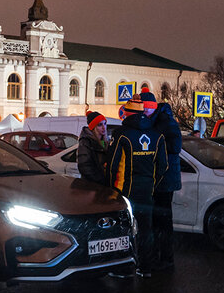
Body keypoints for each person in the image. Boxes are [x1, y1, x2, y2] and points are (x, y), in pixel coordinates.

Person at [108, 97, 168, 277]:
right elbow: (163, 166)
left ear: (128, 113)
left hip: (124, 192)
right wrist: (152, 184)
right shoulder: (157, 135)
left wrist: (112, 189)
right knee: (145, 230)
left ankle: (124, 268)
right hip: (147, 190)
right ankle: (145, 268)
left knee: (123, 230)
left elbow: (113, 164)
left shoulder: (122, 134)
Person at [149, 95, 183, 272]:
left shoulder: (166, 123)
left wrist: (157, 146)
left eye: (147, 108)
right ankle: (160, 257)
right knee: (159, 221)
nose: (145, 112)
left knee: (162, 222)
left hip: (164, 179)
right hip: (162, 179)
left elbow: (175, 147)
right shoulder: (161, 120)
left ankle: (165, 259)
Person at [77, 112, 110, 185]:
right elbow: (84, 166)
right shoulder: (86, 141)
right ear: (93, 127)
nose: (104, 127)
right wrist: (100, 179)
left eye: (105, 123)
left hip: (103, 184)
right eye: (100, 125)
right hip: (92, 185)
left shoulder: (105, 142)